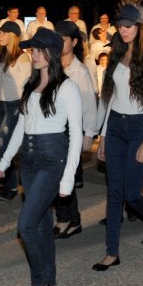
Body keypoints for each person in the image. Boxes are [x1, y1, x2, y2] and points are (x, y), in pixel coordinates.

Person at [0, 28, 82, 286]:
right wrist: (5, 161)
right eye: (32, 49)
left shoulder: (67, 87)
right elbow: (21, 125)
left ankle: (39, 282)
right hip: (29, 161)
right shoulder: (30, 84)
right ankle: (50, 280)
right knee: (41, 223)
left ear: (52, 53)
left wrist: (68, 179)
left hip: (52, 158)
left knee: (26, 225)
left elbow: (76, 135)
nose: (34, 54)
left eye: (39, 50)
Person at [95, 4, 143, 270]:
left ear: (141, 26)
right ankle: (111, 252)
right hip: (115, 125)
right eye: (120, 25)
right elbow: (112, 97)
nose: (123, 30)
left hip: (141, 126)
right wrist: (104, 135)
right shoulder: (117, 50)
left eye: (128, 25)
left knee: (131, 193)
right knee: (114, 192)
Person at [52, 21, 98, 239]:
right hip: (51, 129)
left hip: (70, 131)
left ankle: (66, 219)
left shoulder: (80, 71)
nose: (59, 43)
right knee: (56, 175)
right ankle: (71, 219)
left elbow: (89, 103)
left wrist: (89, 133)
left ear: (75, 42)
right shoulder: (51, 64)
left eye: (63, 39)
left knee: (64, 175)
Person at [0, 21, 31, 202]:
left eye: (3, 33)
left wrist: (25, 109)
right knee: (1, 147)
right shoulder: (0, 55)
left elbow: (27, 86)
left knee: (2, 146)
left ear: (13, 36)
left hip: (14, 105)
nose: (0, 36)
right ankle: (10, 182)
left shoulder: (23, 58)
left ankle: (13, 184)